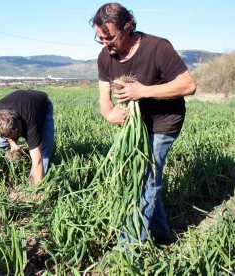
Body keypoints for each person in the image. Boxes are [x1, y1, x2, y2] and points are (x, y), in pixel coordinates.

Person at [90, 3, 196, 244]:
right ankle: (162, 234)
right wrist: (109, 114)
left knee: (146, 180)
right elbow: (103, 98)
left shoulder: (158, 47)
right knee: (144, 179)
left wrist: (143, 91)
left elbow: (188, 85)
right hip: (135, 127)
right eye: (100, 39)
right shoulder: (105, 57)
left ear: (128, 27)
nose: (105, 44)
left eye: (109, 37)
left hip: (164, 122)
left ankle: (128, 248)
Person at [0, 89, 55, 187]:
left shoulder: (30, 121)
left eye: (15, 135)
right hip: (20, 102)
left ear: (19, 125)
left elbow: (38, 160)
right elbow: (6, 134)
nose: (14, 138)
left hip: (41, 105)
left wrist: (38, 191)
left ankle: (34, 183)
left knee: (45, 148)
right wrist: (12, 143)